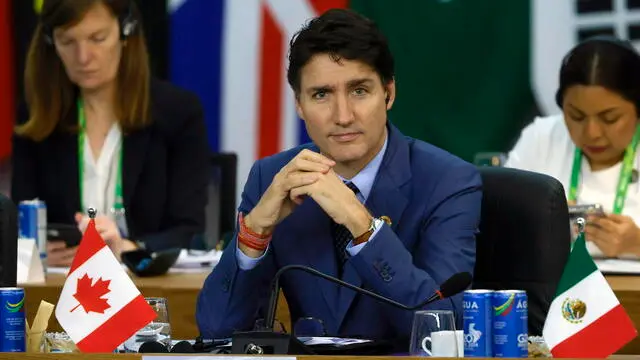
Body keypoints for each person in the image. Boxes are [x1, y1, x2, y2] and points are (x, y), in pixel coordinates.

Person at [196, 9, 482, 345]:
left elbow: (441, 330)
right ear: (299, 105)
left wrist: (361, 225)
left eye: (359, 91)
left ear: (389, 93)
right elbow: (216, 331)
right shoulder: (272, 177)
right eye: (321, 95)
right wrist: (255, 231)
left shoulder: (449, 181)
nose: (343, 116)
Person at [11, 0, 209, 266]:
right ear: (50, 43)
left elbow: (190, 231)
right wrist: (34, 250)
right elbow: (19, 221)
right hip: (64, 285)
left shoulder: (178, 111)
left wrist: (130, 248)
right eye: (67, 42)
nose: (83, 57)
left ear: (125, 32)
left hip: (147, 285)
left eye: (97, 38)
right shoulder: (36, 116)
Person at [506, 36, 640, 259]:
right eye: (576, 116)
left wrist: (636, 244)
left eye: (610, 118)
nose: (592, 133)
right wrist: (540, 227)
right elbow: (496, 225)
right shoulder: (542, 137)